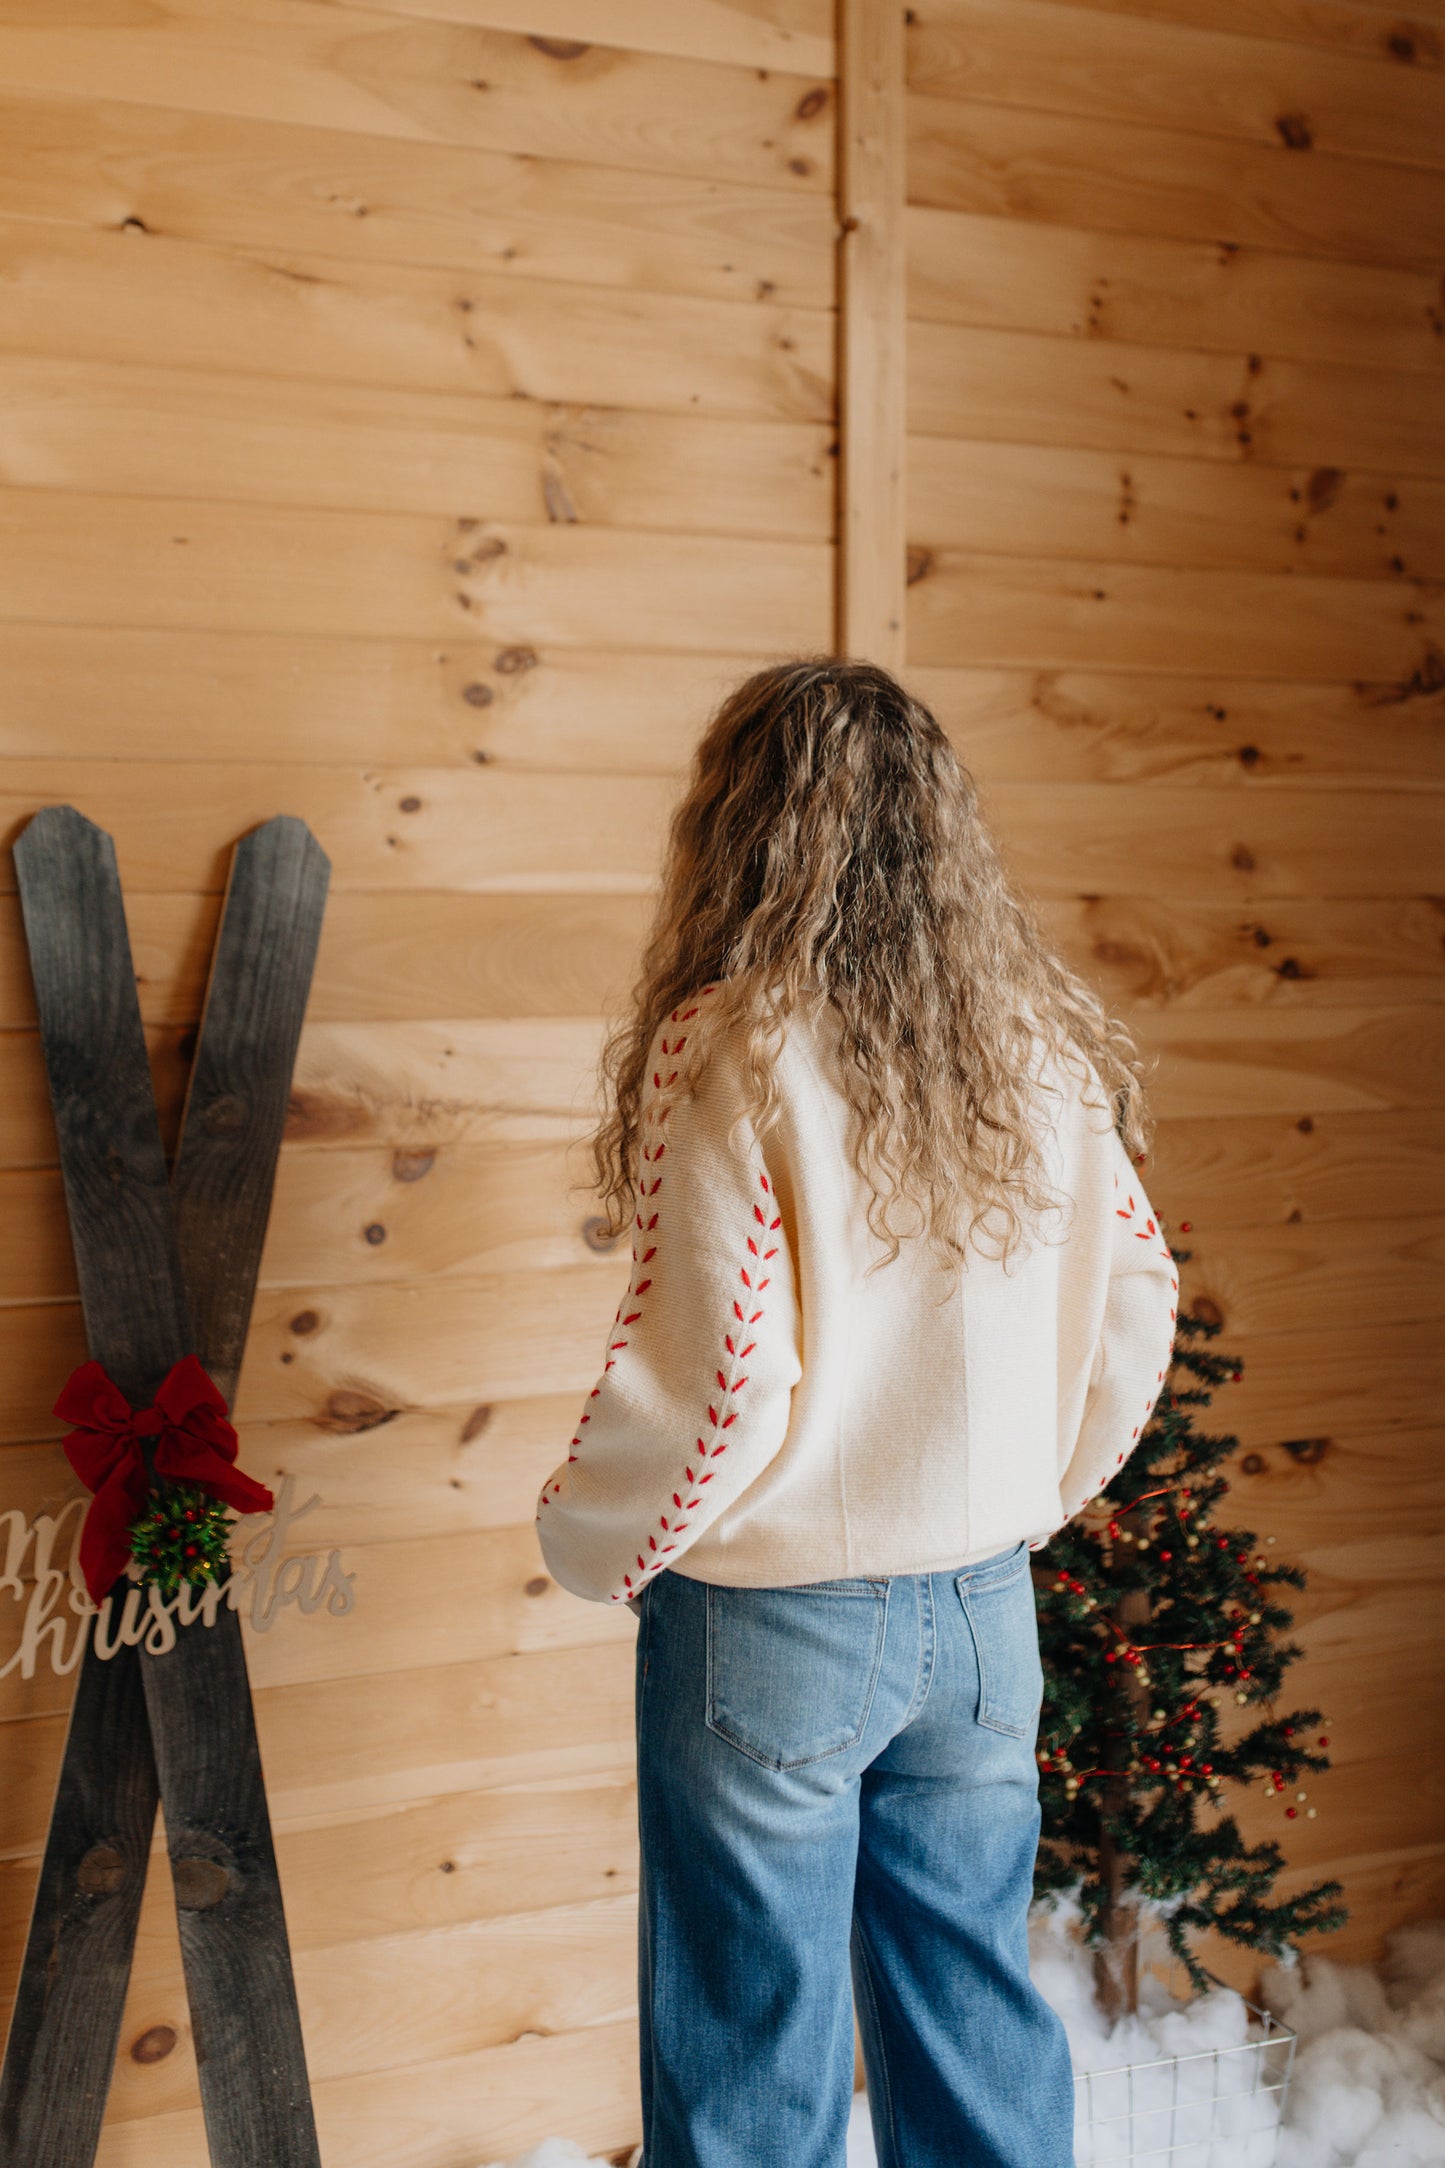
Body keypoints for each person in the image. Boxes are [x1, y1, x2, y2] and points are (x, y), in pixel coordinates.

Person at [535, 659, 1178, 2168]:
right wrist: (1016, 1501)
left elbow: (718, 1377)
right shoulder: (1040, 1046)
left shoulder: (733, 1040)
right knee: (970, 2008)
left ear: (739, 828)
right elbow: (1138, 1304)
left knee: (754, 2046)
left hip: (775, 1625)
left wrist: (593, 1542)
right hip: (982, 1615)